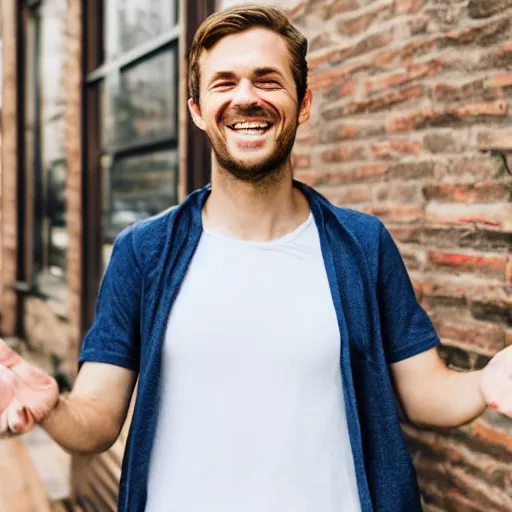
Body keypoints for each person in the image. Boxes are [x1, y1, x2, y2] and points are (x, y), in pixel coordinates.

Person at [0, 5, 511, 512]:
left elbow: (426, 392)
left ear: (303, 103)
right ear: (197, 110)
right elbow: (96, 419)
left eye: (267, 80)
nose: (246, 97)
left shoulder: (362, 244)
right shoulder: (144, 252)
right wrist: (52, 408)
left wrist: (487, 381)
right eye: (224, 83)